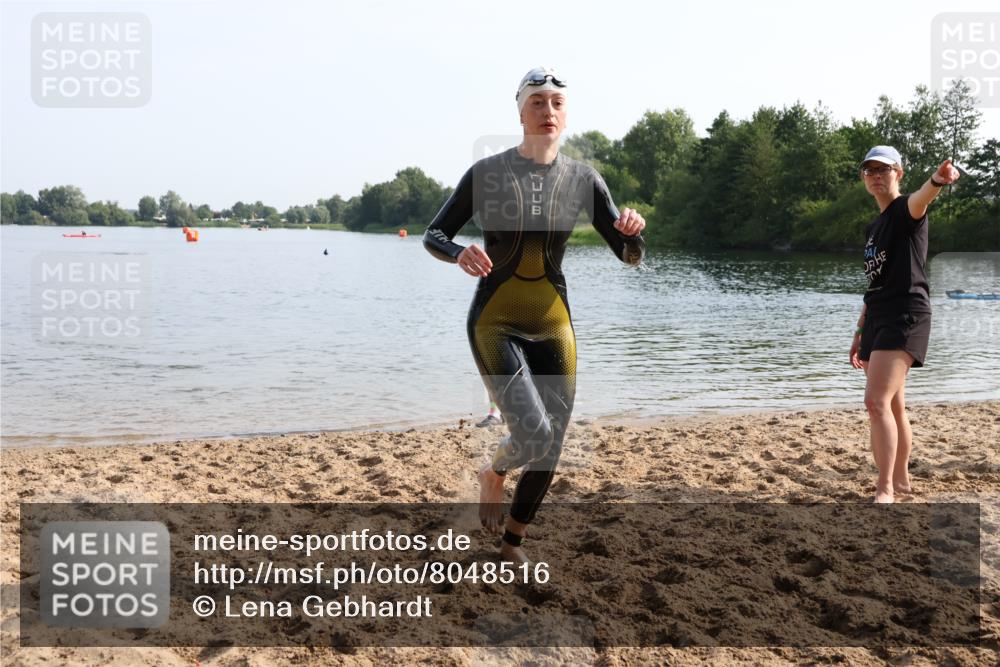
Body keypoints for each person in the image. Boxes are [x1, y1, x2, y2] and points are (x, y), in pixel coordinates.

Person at [423, 67, 645, 562]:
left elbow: (629, 257)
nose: (548, 111)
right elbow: (434, 234)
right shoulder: (488, 173)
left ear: (566, 115)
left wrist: (632, 233)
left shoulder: (583, 179)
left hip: (553, 322)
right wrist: (458, 252)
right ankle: (494, 471)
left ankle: (512, 542)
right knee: (533, 432)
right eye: (538, 102)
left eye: (557, 104)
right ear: (520, 110)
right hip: (494, 321)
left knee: (553, 441)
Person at [849, 146, 960, 503]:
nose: (877, 176)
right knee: (893, 405)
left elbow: (921, 199)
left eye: (884, 170)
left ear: (899, 172)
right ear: (864, 178)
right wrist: (860, 330)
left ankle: (884, 489)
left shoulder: (905, 210)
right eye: (870, 171)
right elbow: (875, 283)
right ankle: (900, 481)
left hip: (906, 314)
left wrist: (937, 181)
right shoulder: (874, 226)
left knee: (875, 402)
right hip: (879, 315)